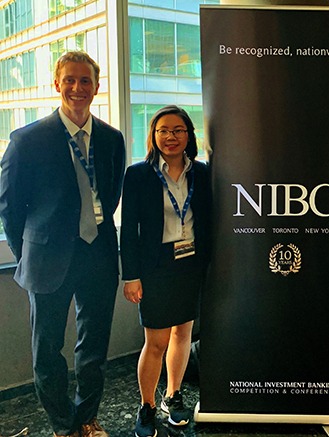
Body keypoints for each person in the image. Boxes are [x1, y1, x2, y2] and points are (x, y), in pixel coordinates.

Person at [0, 51, 125, 437]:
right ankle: (63, 425)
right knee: (47, 350)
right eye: (69, 79)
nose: (77, 87)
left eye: (85, 80)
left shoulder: (111, 139)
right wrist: (28, 254)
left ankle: (87, 418)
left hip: (99, 254)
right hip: (47, 259)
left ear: (96, 87)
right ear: (57, 84)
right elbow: (9, 208)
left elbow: (111, 193)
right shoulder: (26, 140)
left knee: (94, 346)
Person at [120, 105, 211, 437]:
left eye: (178, 130)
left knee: (183, 334)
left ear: (189, 135)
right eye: (163, 130)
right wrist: (131, 276)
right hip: (155, 266)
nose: (170, 137)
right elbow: (128, 230)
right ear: (153, 136)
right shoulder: (138, 174)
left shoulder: (201, 172)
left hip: (190, 263)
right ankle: (146, 406)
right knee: (156, 341)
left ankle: (173, 396)